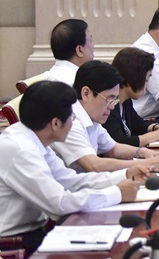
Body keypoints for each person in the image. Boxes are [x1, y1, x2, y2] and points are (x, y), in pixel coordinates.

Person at [0, 81, 143, 255]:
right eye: (72, 118)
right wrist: (117, 193)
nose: (73, 122)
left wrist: (125, 174)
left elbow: (70, 181)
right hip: (14, 244)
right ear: (55, 123)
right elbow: (59, 204)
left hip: (34, 233)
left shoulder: (33, 138)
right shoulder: (21, 150)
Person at [51, 61, 159, 174]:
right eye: (109, 99)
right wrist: (148, 163)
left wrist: (145, 153)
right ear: (86, 93)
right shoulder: (69, 121)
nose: (112, 107)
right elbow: (94, 165)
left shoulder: (90, 116)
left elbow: (113, 149)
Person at [103, 47, 159, 147]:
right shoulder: (107, 107)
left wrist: (157, 127)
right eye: (146, 80)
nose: (147, 86)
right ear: (134, 77)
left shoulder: (125, 100)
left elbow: (138, 124)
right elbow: (119, 142)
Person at [45, 19, 95, 85]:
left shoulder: (51, 75)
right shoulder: (75, 83)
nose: (93, 45)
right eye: (90, 41)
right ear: (79, 50)